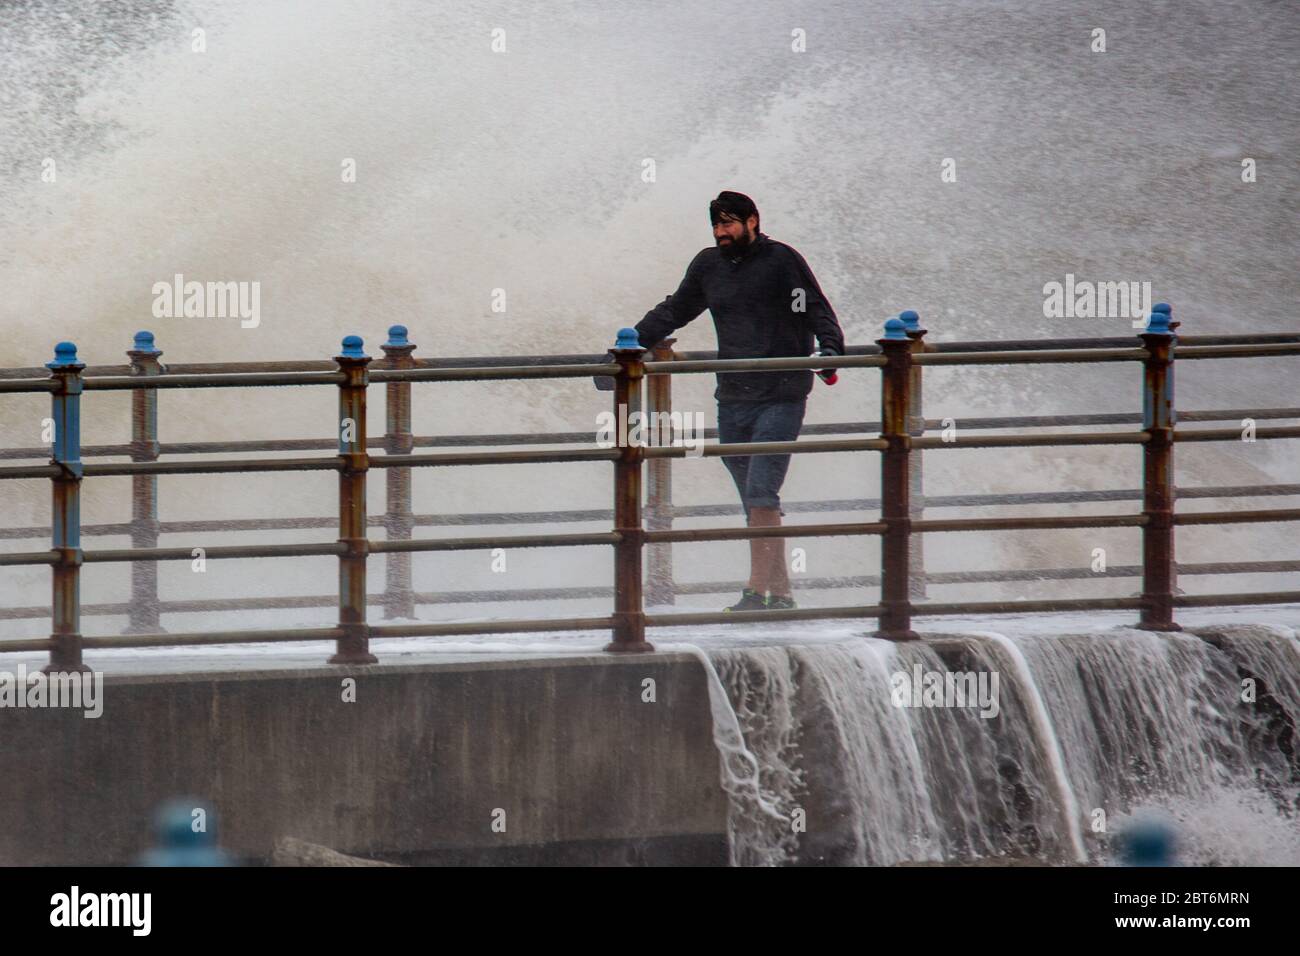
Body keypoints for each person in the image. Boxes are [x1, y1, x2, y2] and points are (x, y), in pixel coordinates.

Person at [606, 190, 845, 611]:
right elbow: (675, 309)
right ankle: (782, 593)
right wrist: (623, 353)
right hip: (733, 395)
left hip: (781, 391)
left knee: (760, 491)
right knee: (754, 499)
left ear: (753, 221)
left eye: (730, 223)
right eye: (716, 225)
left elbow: (814, 307)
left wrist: (830, 351)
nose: (722, 232)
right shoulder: (709, 266)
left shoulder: (781, 261)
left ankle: (756, 591)